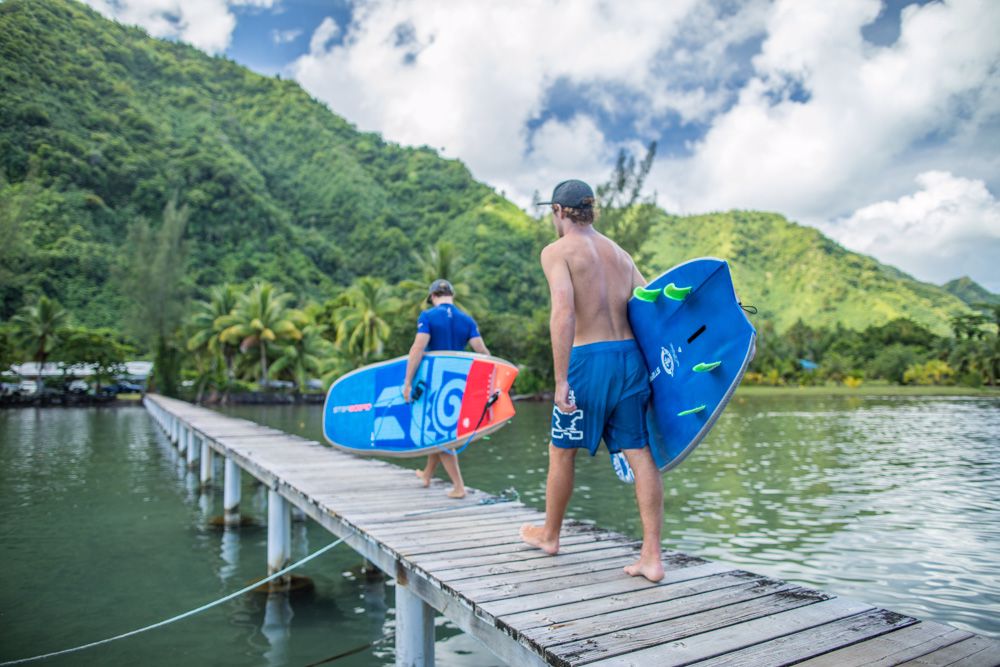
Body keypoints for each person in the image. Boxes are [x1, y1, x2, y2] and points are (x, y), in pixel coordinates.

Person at [519, 179, 665, 583]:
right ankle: (651, 557)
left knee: (561, 452)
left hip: (588, 361)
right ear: (591, 211)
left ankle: (550, 536)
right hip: (630, 361)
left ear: (559, 212)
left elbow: (563, 311)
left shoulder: (556, 252)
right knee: (640, 453)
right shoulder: (620, 254)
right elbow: (651, 305)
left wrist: (562, 378)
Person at [403, 278, 490, 499]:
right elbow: (482, 351)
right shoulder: (466, 319)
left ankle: (459, 487)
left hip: (436, 382)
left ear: (433, 297)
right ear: (452, 295)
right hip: (459, 385)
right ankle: (426, 475)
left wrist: (407, 382)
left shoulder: (428, 317)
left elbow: (418, 348)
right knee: (441, 432)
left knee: (440, 435)